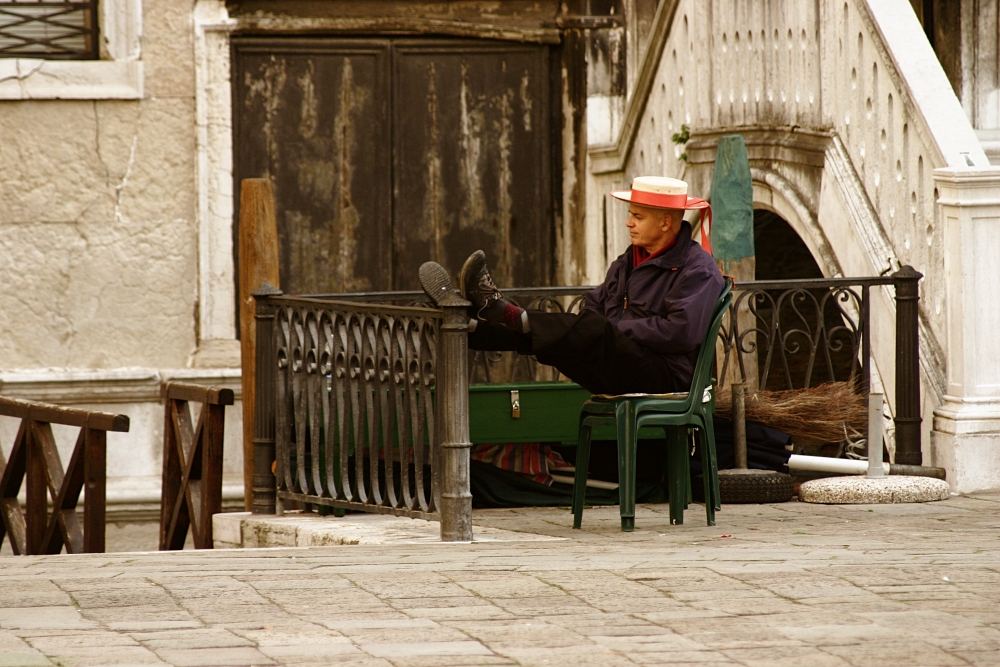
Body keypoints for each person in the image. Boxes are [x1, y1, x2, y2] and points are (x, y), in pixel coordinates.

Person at [419, 176, 726, 396]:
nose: (628, 223)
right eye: (630, 215)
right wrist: (603, 328)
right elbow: (593, 304)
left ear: (665, 223)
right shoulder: (627, 261)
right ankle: (472, 327)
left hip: (667, 376)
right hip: (619, 361)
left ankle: (496, 317)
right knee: (564, 339)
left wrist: (615, 329)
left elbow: (681, 333)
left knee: (587, 331)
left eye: (637, 216)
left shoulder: (698, 269)